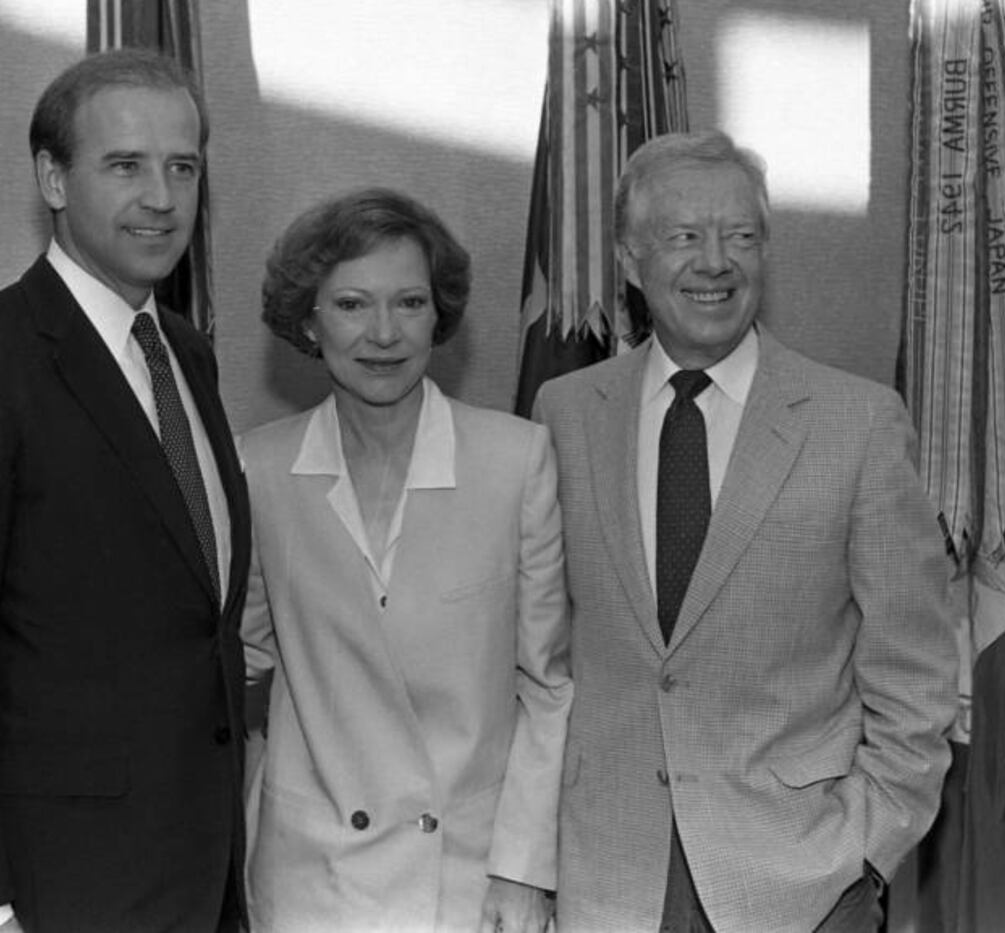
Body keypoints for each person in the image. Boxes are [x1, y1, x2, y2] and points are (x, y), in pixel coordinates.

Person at [0, 49, 251, 933]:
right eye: (125, 165)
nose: (162, 196)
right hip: (52, 895)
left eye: (182, 167)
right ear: (53, 177)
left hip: (201, 881)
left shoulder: (186, 354)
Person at [532, 131, 957, 933]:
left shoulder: (857, 422)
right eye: (684, 236)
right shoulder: (563, 413)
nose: (714, 262)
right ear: (630, 261)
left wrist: (866, 846)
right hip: (606, 873)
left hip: (802, 882)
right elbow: (543, 649)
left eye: (741, 236)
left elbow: (918, 669)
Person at [240, 188, 572, 933]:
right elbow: (238, 664)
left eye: (410, 303)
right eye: (353, 304)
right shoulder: (258, 469)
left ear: (438, 316)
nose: (383, 333)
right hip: (311, 879)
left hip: (470, 878)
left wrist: (523, 871)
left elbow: (546, 688)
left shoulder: (515, 460)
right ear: (308, 319)